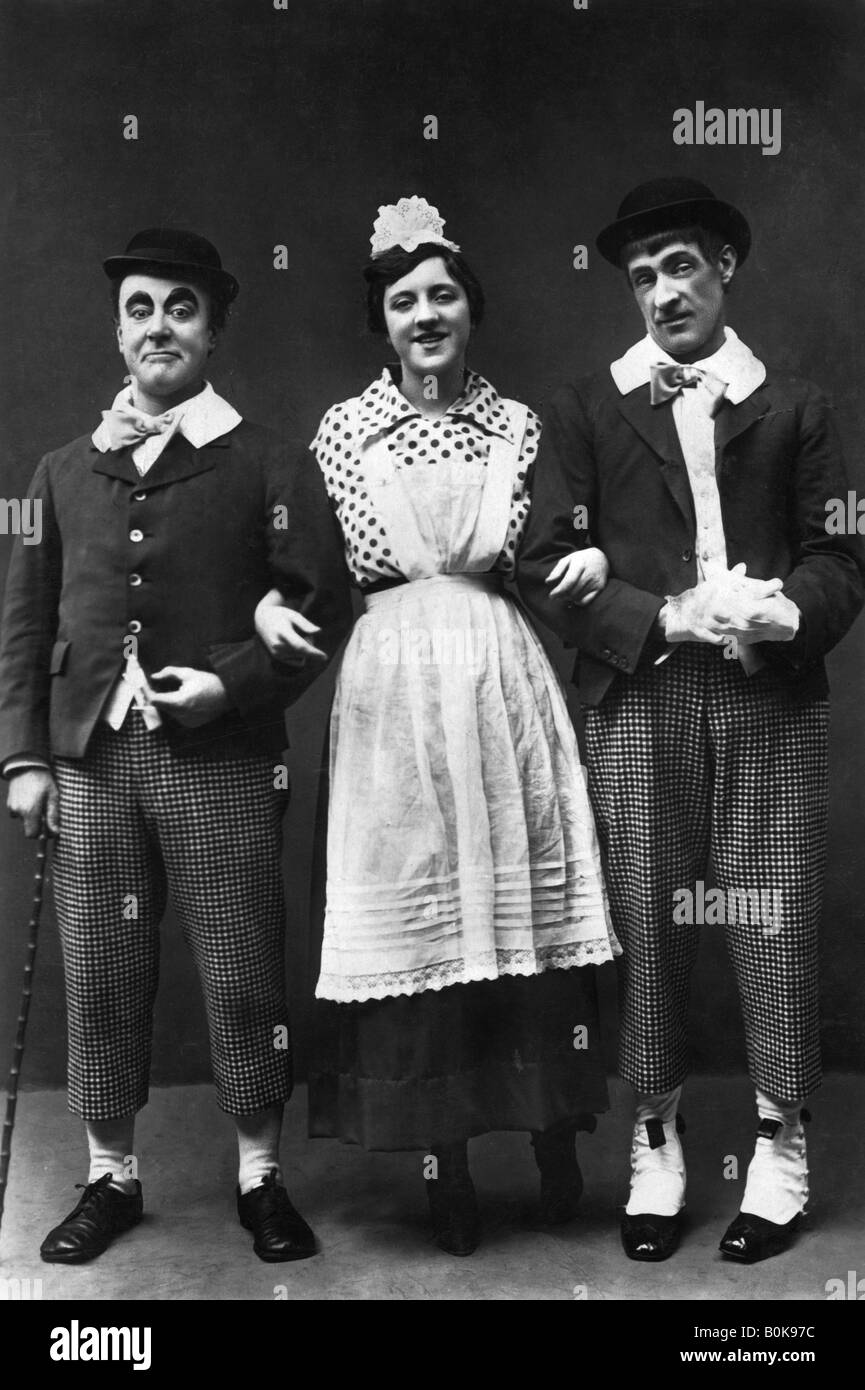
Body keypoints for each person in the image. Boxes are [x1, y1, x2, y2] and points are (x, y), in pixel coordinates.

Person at [255, 196, 619, 1256]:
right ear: (382, 318)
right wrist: (270, 605)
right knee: (422, 916)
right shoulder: (341, 431)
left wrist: (592, 567)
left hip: (500, 674)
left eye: (443, 295)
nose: (426, 315)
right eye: (405, 299)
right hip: (391, 690)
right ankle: (443, 1164)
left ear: (471, 310)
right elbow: (307, 574)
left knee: (520, 912)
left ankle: (556, 1132)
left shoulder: (520, 426)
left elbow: (552, 555)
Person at [517, 178, 865, 1264]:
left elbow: (840, 557)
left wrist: (785, 610)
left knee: (772, 917)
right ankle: (656, 1140)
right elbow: (540, 565)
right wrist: (657, 610)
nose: (663, 294)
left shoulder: (792, 404)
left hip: (764, 696)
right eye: (641, 277)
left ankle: (777, 1143)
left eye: (680, 268)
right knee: (645, 919)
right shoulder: (586, 406)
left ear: (724, 269)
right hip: (645, 695)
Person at [0, 227, 352, 1264]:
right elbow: (25, 625)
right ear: (119, 330)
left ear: (214, 328)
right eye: (141, 307)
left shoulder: (266, 460)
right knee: (103, 971)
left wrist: (231, 682)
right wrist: (24, 759)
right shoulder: (63, 470)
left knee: (244, 968)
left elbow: (320, 604)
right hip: (90, 764)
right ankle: (110, 1176)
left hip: (225, 758)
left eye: (182, 308)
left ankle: (259, 1176)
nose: (161, 325)